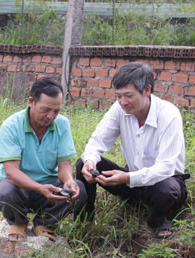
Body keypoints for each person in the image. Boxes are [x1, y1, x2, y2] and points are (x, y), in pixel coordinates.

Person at [76, 62, 188, 239]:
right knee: (83, 162)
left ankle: (157, 221)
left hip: (162, 183)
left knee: (166, 191)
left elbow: (166, 167)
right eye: (118, 96)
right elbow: (98, 141)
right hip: (131, 181)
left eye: (128, 96)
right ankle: (84, 220)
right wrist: (90, 161)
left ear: (147, 90)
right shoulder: (119, 109)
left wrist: (128, 177)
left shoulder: (168, 114)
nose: (122, 102)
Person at [0, 77, 87, 242]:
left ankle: (43, 222)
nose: (51, 116)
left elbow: (64, 165)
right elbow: (12, 172)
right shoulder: (11, 126)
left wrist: (69, 180)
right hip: (19, 187)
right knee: (5, 192)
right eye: (46, 109)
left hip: (50, 189)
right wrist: (39, 188)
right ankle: (18, 221)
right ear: (31, 102)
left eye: (56, 111)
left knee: (79, 189)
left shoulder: (62, 125)